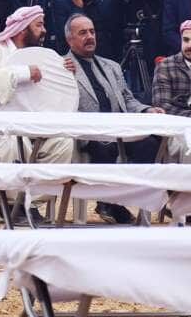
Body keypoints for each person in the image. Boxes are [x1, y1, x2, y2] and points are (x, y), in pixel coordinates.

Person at [60, 14, 163, 224]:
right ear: (69, 39)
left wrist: (146, 110)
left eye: (92, 31)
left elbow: (128, 100)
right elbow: (60, 105)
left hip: (120, 129)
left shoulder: (112, 66)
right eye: (82, 33)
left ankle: (129, 199)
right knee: (106, 146)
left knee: (151, 143)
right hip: (88, 131)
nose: (90, 37)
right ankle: (110, 202)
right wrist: (60, 72)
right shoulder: (61, 67)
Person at [0, 6, 74, 164]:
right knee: (16, 145)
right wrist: (24, 73)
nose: (44, 30)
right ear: (22, 29)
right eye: (38, 25)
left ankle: (45, 189)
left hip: (37, 126)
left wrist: (65, 70)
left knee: (63, 143)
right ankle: (18, 189)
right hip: (2, 127)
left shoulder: (40, 55)